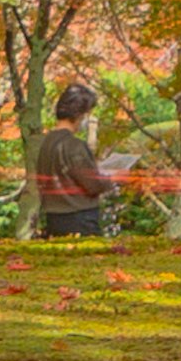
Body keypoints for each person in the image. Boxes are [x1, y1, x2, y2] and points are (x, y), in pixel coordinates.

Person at [30, 76, 115, 240]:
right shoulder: (73, 145)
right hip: (80, 218)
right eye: (86, 114)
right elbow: (92, 184)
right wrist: (111, 178)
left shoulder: (45, 142)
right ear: (79, 114)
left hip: (53, 217)